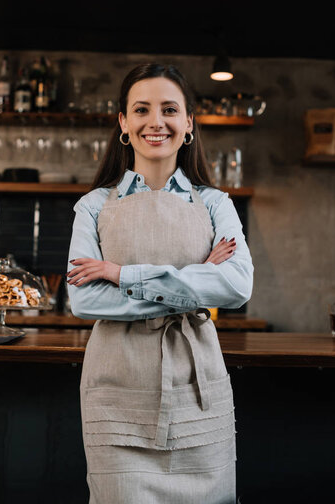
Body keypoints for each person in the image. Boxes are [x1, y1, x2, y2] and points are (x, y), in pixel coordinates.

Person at [66, 63, 253, 504]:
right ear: (123, 124)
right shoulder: (92, 206)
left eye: (169, 109)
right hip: (116, 392)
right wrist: (195, 278)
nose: (156, 121)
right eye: (141, 109)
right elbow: (85, 298)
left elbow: (237, 285)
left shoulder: (215, 203)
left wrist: (122, 274)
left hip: (198, 389)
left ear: (188, 123)